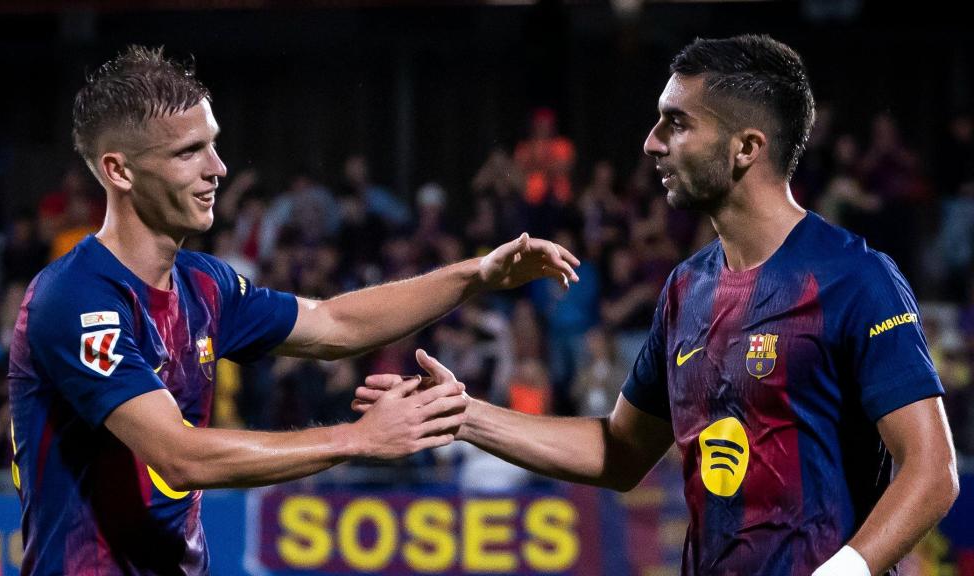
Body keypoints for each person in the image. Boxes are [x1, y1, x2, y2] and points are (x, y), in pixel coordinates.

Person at [356, 35, 957, 576]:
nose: (651, 144)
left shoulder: (854, 278)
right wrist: (464, 416)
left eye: (676, 123)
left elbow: (931, 473)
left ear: (746, 147)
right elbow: (620, 453)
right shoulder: (685, 289)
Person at [6, 46, 579, 576]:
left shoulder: (204, 284)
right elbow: (178, 456)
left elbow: (336, 323)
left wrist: (475, 275)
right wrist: (357, 439)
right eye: (189, 152)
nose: (218, 167)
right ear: (119, 171)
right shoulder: (76, 299)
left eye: (212, 142)